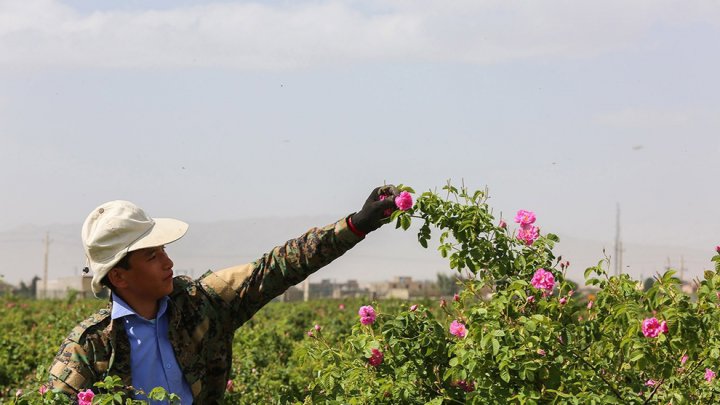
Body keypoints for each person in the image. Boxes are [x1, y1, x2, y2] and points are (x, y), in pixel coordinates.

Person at [48, 186, 399, 403]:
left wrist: (355, 225)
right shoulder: (90, 348)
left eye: (164, 250)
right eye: (152, 255)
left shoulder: (204, 304)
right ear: (119, 275)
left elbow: (275, 268)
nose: (168, 261)